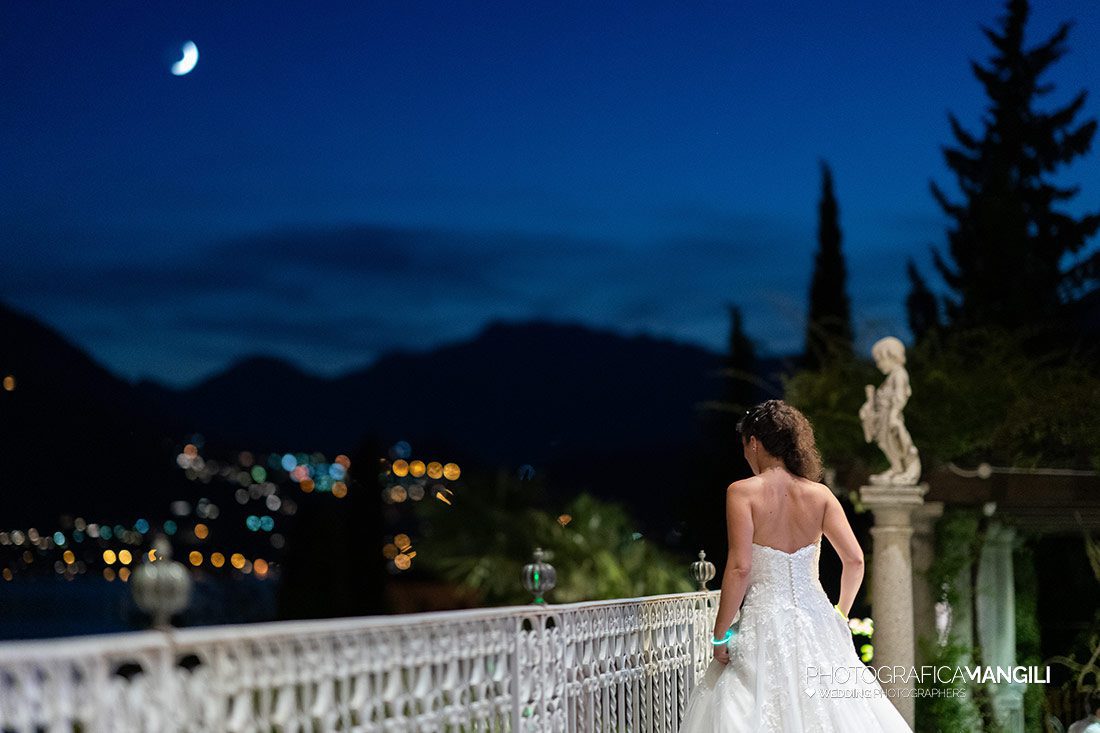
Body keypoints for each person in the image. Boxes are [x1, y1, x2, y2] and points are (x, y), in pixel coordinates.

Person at [679, 399, 912, 732]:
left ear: (755, 443)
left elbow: (740, 568)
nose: (746, 454)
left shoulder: (742, 493)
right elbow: (855, 560)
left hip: (764, 624)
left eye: (745, 446)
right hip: (817, 621)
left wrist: (719, 635)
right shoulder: (820, 495)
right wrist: (841, 614)